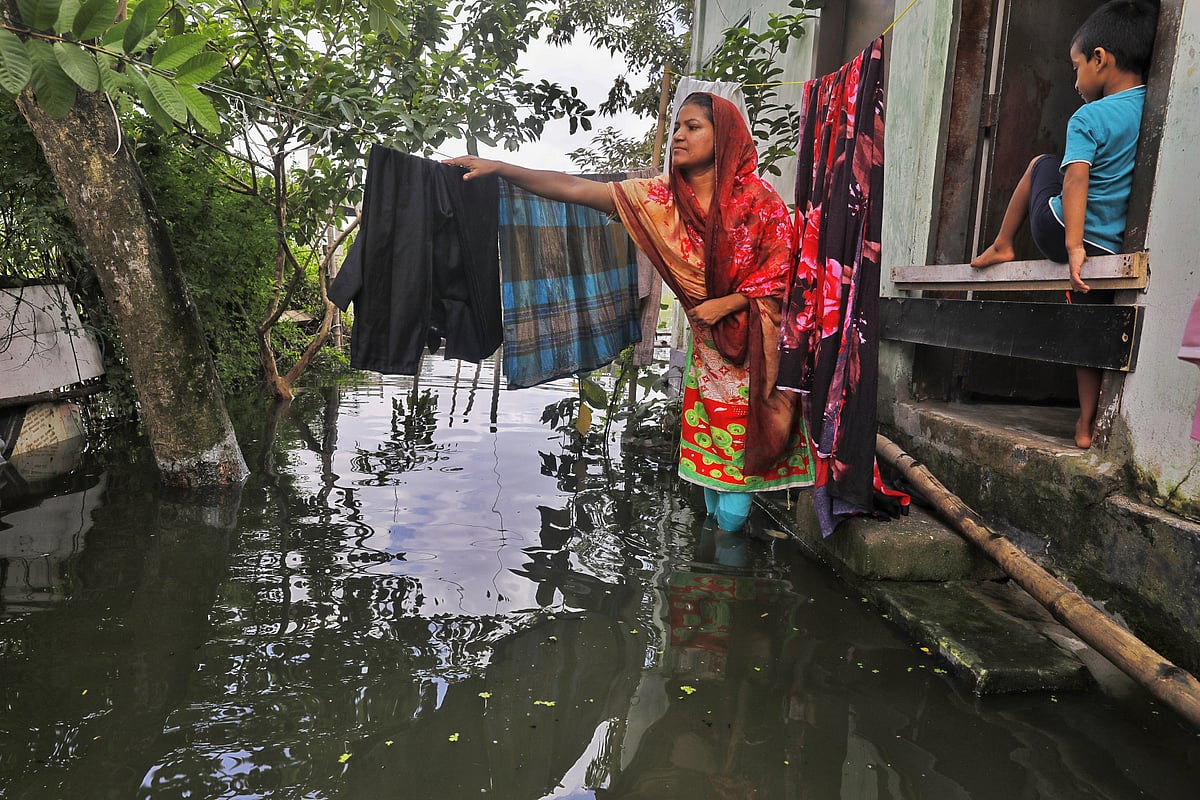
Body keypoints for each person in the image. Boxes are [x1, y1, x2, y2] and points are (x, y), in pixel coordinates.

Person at [447, 92, 813, 540]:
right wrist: (502, 168)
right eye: (677, 127)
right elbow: (576, 188)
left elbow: (786, 276)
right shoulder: (661, 198)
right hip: (707, 359)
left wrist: (729, 303)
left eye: (693, 127)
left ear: (725, 137)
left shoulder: (759, 201)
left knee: (739, 483)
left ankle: (725, 565)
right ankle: (711, 565)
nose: (679, 136)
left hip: (754, 355)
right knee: (712, 477)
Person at [970, 0, 1158, 449]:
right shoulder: (1151, 107)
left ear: (1100, 58)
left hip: (1059, 230)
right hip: (1110, 244)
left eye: (1076, 68)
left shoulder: (1089, 117)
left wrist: (1073, 247)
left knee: (1040, 163)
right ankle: (1087, 426)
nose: (1074, 82)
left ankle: (1003, 242)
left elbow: (1075, 177)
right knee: (1091, 327)